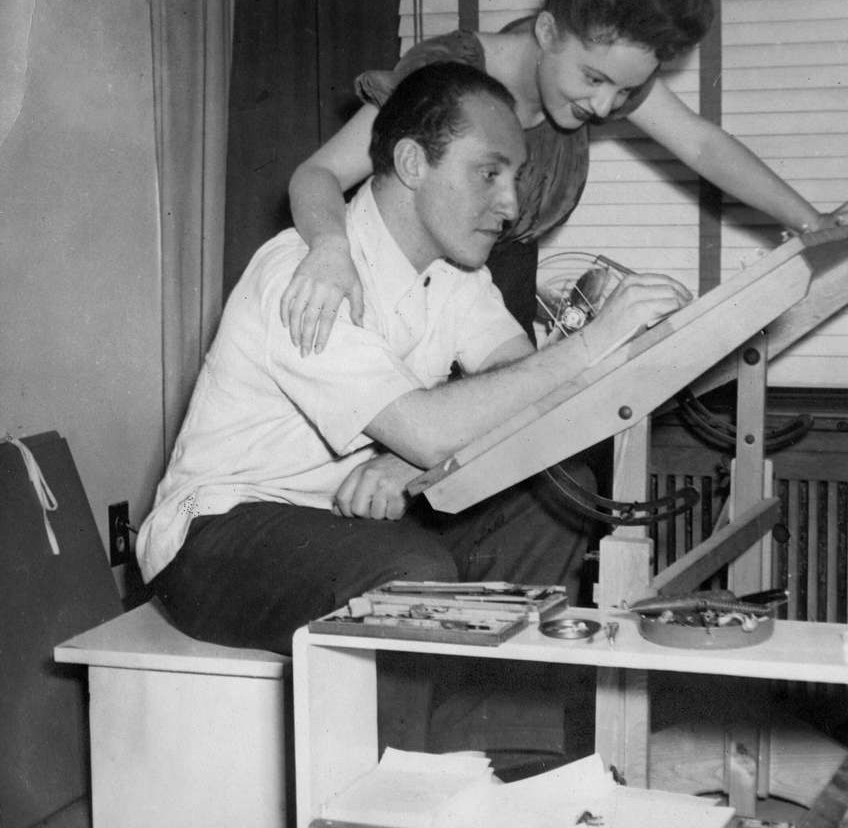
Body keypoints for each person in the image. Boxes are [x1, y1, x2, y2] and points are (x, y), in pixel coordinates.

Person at [136, 61, 692, 655]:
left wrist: (406, 467)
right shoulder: (303, 275)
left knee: (554, 502)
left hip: (338, 521)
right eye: (488, 174)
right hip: (215, 536)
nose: (510, 205)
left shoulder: (454, 276)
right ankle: (410, 751)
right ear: (411, 164)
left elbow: (525, 397)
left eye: (515, 176)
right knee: (407, 571)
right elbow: (427, 432)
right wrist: (590, 342)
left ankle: (505, 744)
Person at [282, 0, 848, 355]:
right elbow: (314, 174)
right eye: (593, 79)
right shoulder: (447, 83)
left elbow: (703, 147)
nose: (603, 107)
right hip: (398, 308)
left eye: (625, 94)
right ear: (546, 29)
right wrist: (329, 249)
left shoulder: (592, 87)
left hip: (493, 303)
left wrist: (813, 223)